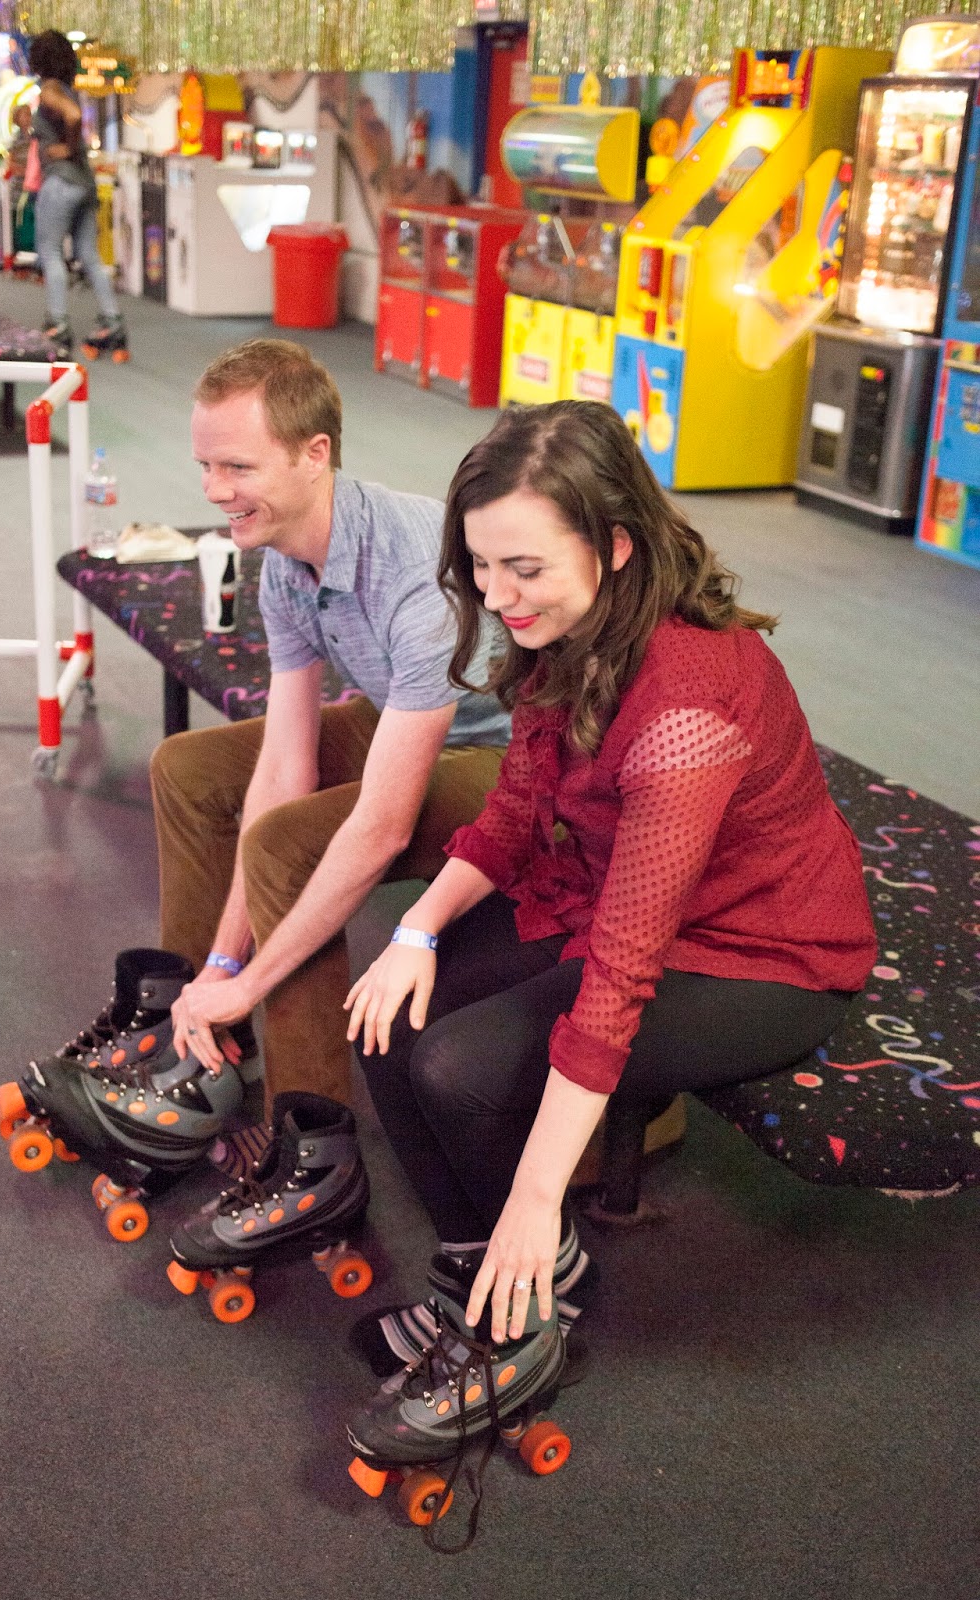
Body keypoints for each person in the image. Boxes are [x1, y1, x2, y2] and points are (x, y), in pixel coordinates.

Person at [342, 401, 877, 1473]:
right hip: (617, 891)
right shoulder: (573, 627)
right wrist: (414, 928)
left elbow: (626, 967)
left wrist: (542, 1199)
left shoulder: (685, 702)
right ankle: (477, 1275)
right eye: (480, 566)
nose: (495, 595)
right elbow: (510, 812)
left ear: (614, 544)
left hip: (758, 949)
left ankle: (529, 1302)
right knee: (390, 1015)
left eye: (522, 567)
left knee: (457, 1068)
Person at [152, 337, 510, 1183]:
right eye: (205, 466)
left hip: (513, 759)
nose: (213, 492)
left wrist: (249, 978)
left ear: (316, 455)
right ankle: (195, 1028)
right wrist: (220, 965)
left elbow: (379, 829)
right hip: (408, 717)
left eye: (236, 467)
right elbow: (283, 764)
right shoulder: (284, 556)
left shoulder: (419, 580)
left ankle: (312, 1142)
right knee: (190, 770)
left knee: (295, 844)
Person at [27, 30, 126, 361]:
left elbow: (71, 116)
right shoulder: (67, 88)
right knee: (89, 255)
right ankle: (112, 322)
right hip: (84, 183)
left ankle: (57, 324)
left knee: (51, 252)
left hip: (61, 182)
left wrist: (67, 147)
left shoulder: (50, 90)